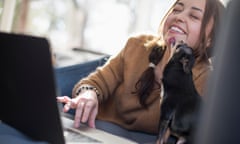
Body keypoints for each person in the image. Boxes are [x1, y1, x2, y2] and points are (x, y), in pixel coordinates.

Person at [57, 0, 225, 143]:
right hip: (99, 129)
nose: (179, 17)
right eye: (177, 9)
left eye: (194, 16)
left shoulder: (206, 80)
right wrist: (88, 94)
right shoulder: (137, 46)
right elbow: (96, 82)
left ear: (210, 38)